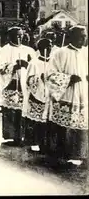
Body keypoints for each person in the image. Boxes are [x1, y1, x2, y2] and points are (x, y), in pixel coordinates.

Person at [44, 25, 88, 167]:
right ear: (72, 36)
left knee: (81, 124)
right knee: (63, 126)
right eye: (81, 36)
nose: (84, 38)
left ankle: (79, 153)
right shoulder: (60, 53)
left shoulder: (86, 52)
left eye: (85, 36)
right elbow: (49, 74)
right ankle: (62, 153)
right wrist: (68, 79)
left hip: (83, 94)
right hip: (66, 94)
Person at [0, 27, 36, 146]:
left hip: (24, 83)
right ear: (10, 36)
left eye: (21, 35)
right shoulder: (4, 50)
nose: (19, 38)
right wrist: (13, 67)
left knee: (24, 110)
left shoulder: (28, 50)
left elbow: (35, 65)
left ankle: (23, 136)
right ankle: (13, 136)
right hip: (11, 82)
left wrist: (26, 64)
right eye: (17, 35)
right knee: (11, 110)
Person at [23, 38, 51, 153]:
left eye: (51, 46)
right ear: (42, 48)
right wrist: (39, 79)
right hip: (36, 94)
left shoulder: (52, 62)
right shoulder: (34, 63)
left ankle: (46, 144)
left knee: (46, 122)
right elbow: (29, 80)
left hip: (50, 95)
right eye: (48, 46)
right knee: (35, 122)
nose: (50, 48)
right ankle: (34, 142)